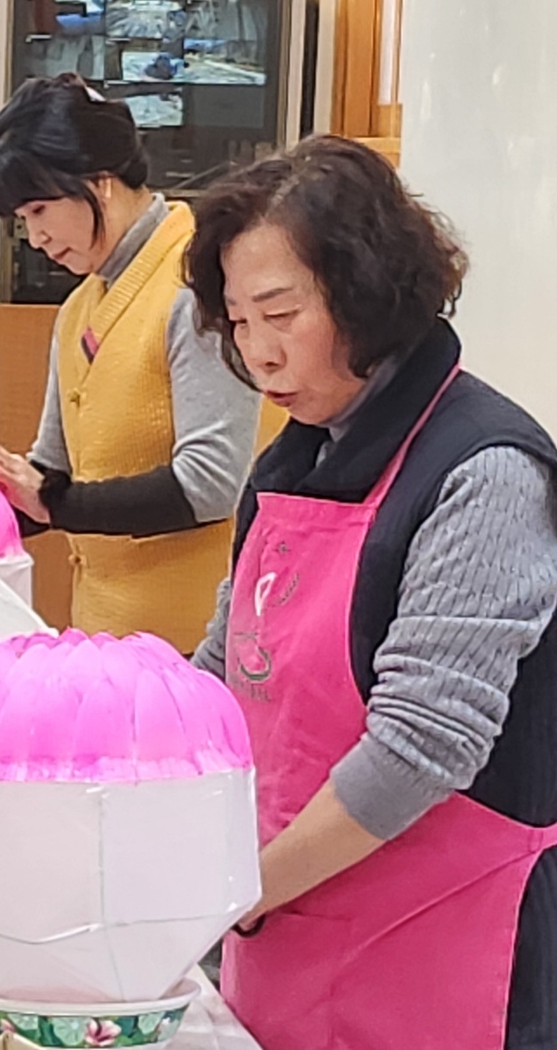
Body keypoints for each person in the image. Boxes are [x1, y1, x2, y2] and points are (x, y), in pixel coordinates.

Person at [187, 136, 557, 1049]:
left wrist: (240, 892)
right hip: (285, 929)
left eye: (282, 314)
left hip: (438, 952)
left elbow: (424, 744)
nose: (259, 354)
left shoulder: (484, 469)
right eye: (238, 322)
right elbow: (226, 663)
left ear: (368, 295)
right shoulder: (295, 459)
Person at [0, 73, 280, 653]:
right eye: (22, 220)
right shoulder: (80, 307)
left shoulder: (196, 284)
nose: (35, 237)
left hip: (198, 648)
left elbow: (211, 484)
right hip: (107, 641)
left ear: (99, 183)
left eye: (40, 209)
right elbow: (53, 471)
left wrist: (53, 501)